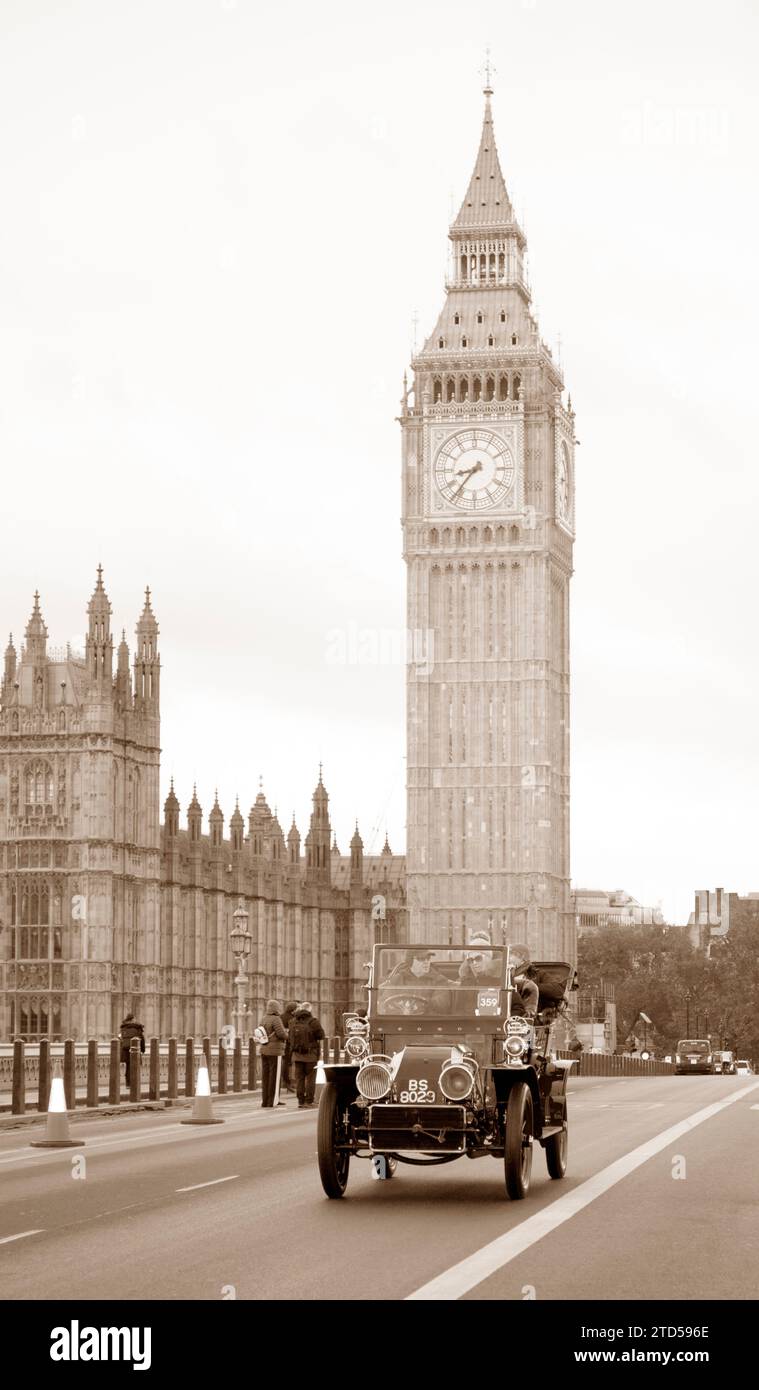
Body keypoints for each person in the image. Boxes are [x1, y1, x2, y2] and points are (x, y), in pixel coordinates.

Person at [380, 949, 452, 1014]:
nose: (426, 962)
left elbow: (443, 1004)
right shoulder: (397, 979)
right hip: (400, 1022)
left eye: (428, 958)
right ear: (410, 961)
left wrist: (419, 1005)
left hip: (427, 1022)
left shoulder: (439, 980)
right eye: (421, 959)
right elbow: (385, 1001)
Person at [289, 1002, 325, 1108]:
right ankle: (309, 1101)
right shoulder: (313, 1021)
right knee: (310, 1078)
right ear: (309, 1010)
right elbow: (321, 1035)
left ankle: (300, 1101)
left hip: (296, 1054)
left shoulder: (292, 1021)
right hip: (311, 1055)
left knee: (299, 1078)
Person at [258, 999, 288, 1107]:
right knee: (274, 1077)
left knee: (265, 1076)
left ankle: (265, 1101)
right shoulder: (276, 1019)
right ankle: (273, 1101)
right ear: (276, 1008)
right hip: (275, 1051)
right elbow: (281, 1034)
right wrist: (287, 1035)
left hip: (264, 1050)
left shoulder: (263, 1018)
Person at [119, 1013, 145, 1087]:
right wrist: (143, 1050)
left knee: (128, 1066)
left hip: (125, 1049)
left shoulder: (123, 1028)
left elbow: (120, 1040)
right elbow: (142, 1039)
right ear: (133, 1019)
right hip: (135, 1049)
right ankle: (134, 1083)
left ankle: (128, 1083)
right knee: (135, 1066)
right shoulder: (137, 1028)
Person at [280, 999, 298, 1091]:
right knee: (288, 1063)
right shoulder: (292, 1019)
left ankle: (284, 1082)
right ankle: (288, 1082)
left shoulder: (281, 1016)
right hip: (289, 1044)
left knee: (284, 1063)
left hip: (281, 1043)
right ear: (293, 1010)